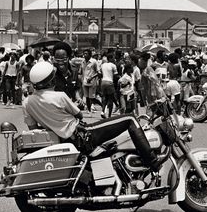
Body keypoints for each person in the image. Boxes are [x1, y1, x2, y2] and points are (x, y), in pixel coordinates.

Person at [22, 61, 162, 171]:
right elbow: (79, 115)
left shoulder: (27, 102)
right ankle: (153, 162)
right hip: (82, 135)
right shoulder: (59, 96)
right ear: (51, 80)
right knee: (130, 118)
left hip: (66, 141)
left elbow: (34, 128)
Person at [99, 53, 118, 118]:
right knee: (111, 99)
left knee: (105, 98)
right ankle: (109, 115)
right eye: (113, 58)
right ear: (110, 58)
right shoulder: (113, 65)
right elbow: (115, 75)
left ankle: (102, 111)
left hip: (103, 82)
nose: (114, 59)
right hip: (110, 82)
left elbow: (100, 73)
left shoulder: (103, 65)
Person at [81, 49, 100, 115]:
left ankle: (102, 105)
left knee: (92, 98)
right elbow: (82, 72)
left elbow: (98, 72)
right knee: (87, 97)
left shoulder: (94, 62)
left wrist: (91, 77)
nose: (85, 55)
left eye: (86, 54)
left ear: (89, 55)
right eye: (84, 54)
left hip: (92, 82)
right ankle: (89, 111)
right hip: (85, 81)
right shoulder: (83, 62)